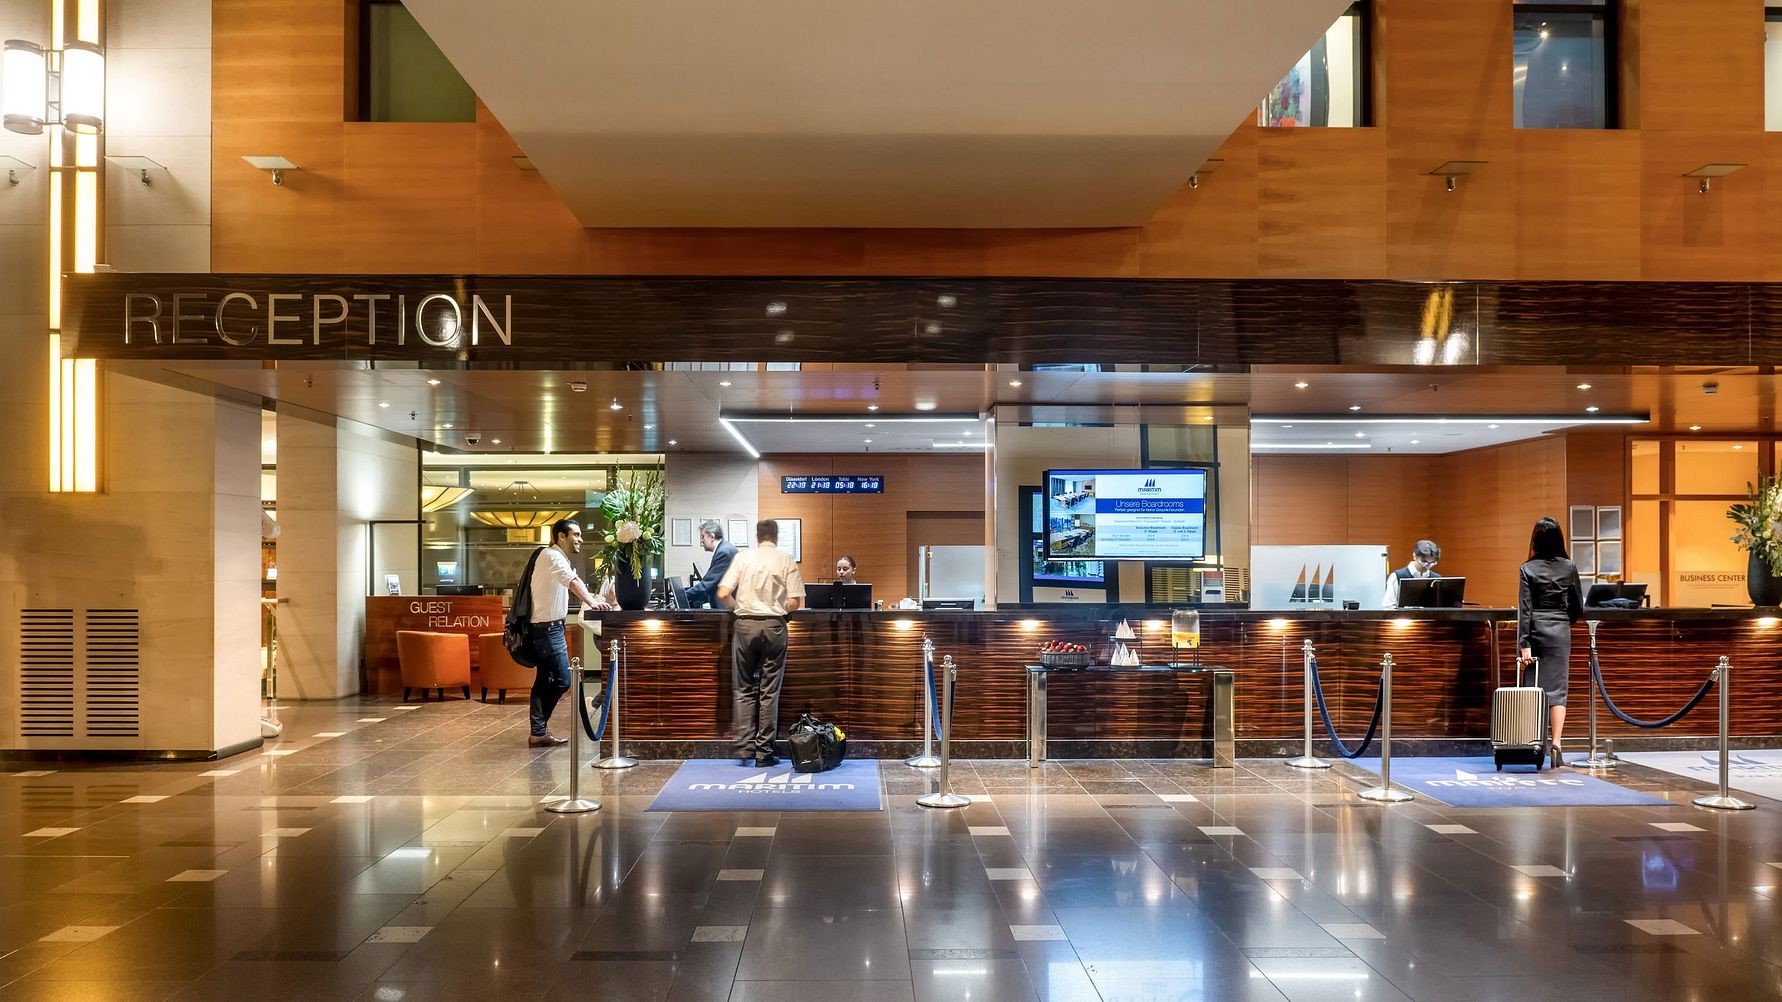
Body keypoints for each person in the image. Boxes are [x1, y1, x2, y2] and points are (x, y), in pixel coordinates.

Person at [717, 519, 806, 766]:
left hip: (744, 626)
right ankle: (764, 751)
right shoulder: (785, 559)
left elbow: (723, 592)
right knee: (769, 691)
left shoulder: (743, 558)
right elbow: (795, 602)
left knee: (743, 687)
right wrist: (777, 607)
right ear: (776, 536)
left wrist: (740, 608)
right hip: (774, 627)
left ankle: (744, 747)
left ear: (757, 536)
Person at [526, 519, 613, 748]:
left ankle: (538, 732)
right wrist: (592, 602)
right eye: (576, 534)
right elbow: (572, 581)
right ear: (561, 536)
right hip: (546, 629)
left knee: (545, 680)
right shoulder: (551, 556)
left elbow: (573, 580)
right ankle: (538, 729)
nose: (580, 539)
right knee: (562, 680)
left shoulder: (557, 557)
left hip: (550, 627)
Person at [1518, 516, 1584, 769]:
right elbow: (1577, 606)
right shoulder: (1569, 566)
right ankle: (1556, 743)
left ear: (1535, 540)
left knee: (1534, 690)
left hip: (1535, 632)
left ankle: (1535, 744)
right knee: (1558, 691)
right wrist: (1564, 622)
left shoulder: (1527, 568)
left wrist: (1524, 643)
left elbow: (1525, 609)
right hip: (1559, 632)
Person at [682, 520, 737, 609]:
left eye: (703, 536)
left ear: (712, 537)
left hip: (726, 608)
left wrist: (682, 595)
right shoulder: (724, 548)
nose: (701, 541)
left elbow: (708, 584)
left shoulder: (724, 552)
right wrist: (685, 591)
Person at [1382, 539, 1442, 609]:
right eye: (1424, 562)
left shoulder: (1437, 579)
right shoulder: (1397, 576)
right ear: (1414, 556)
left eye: (1432, 563)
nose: (1427, 566)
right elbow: (1388, 607)